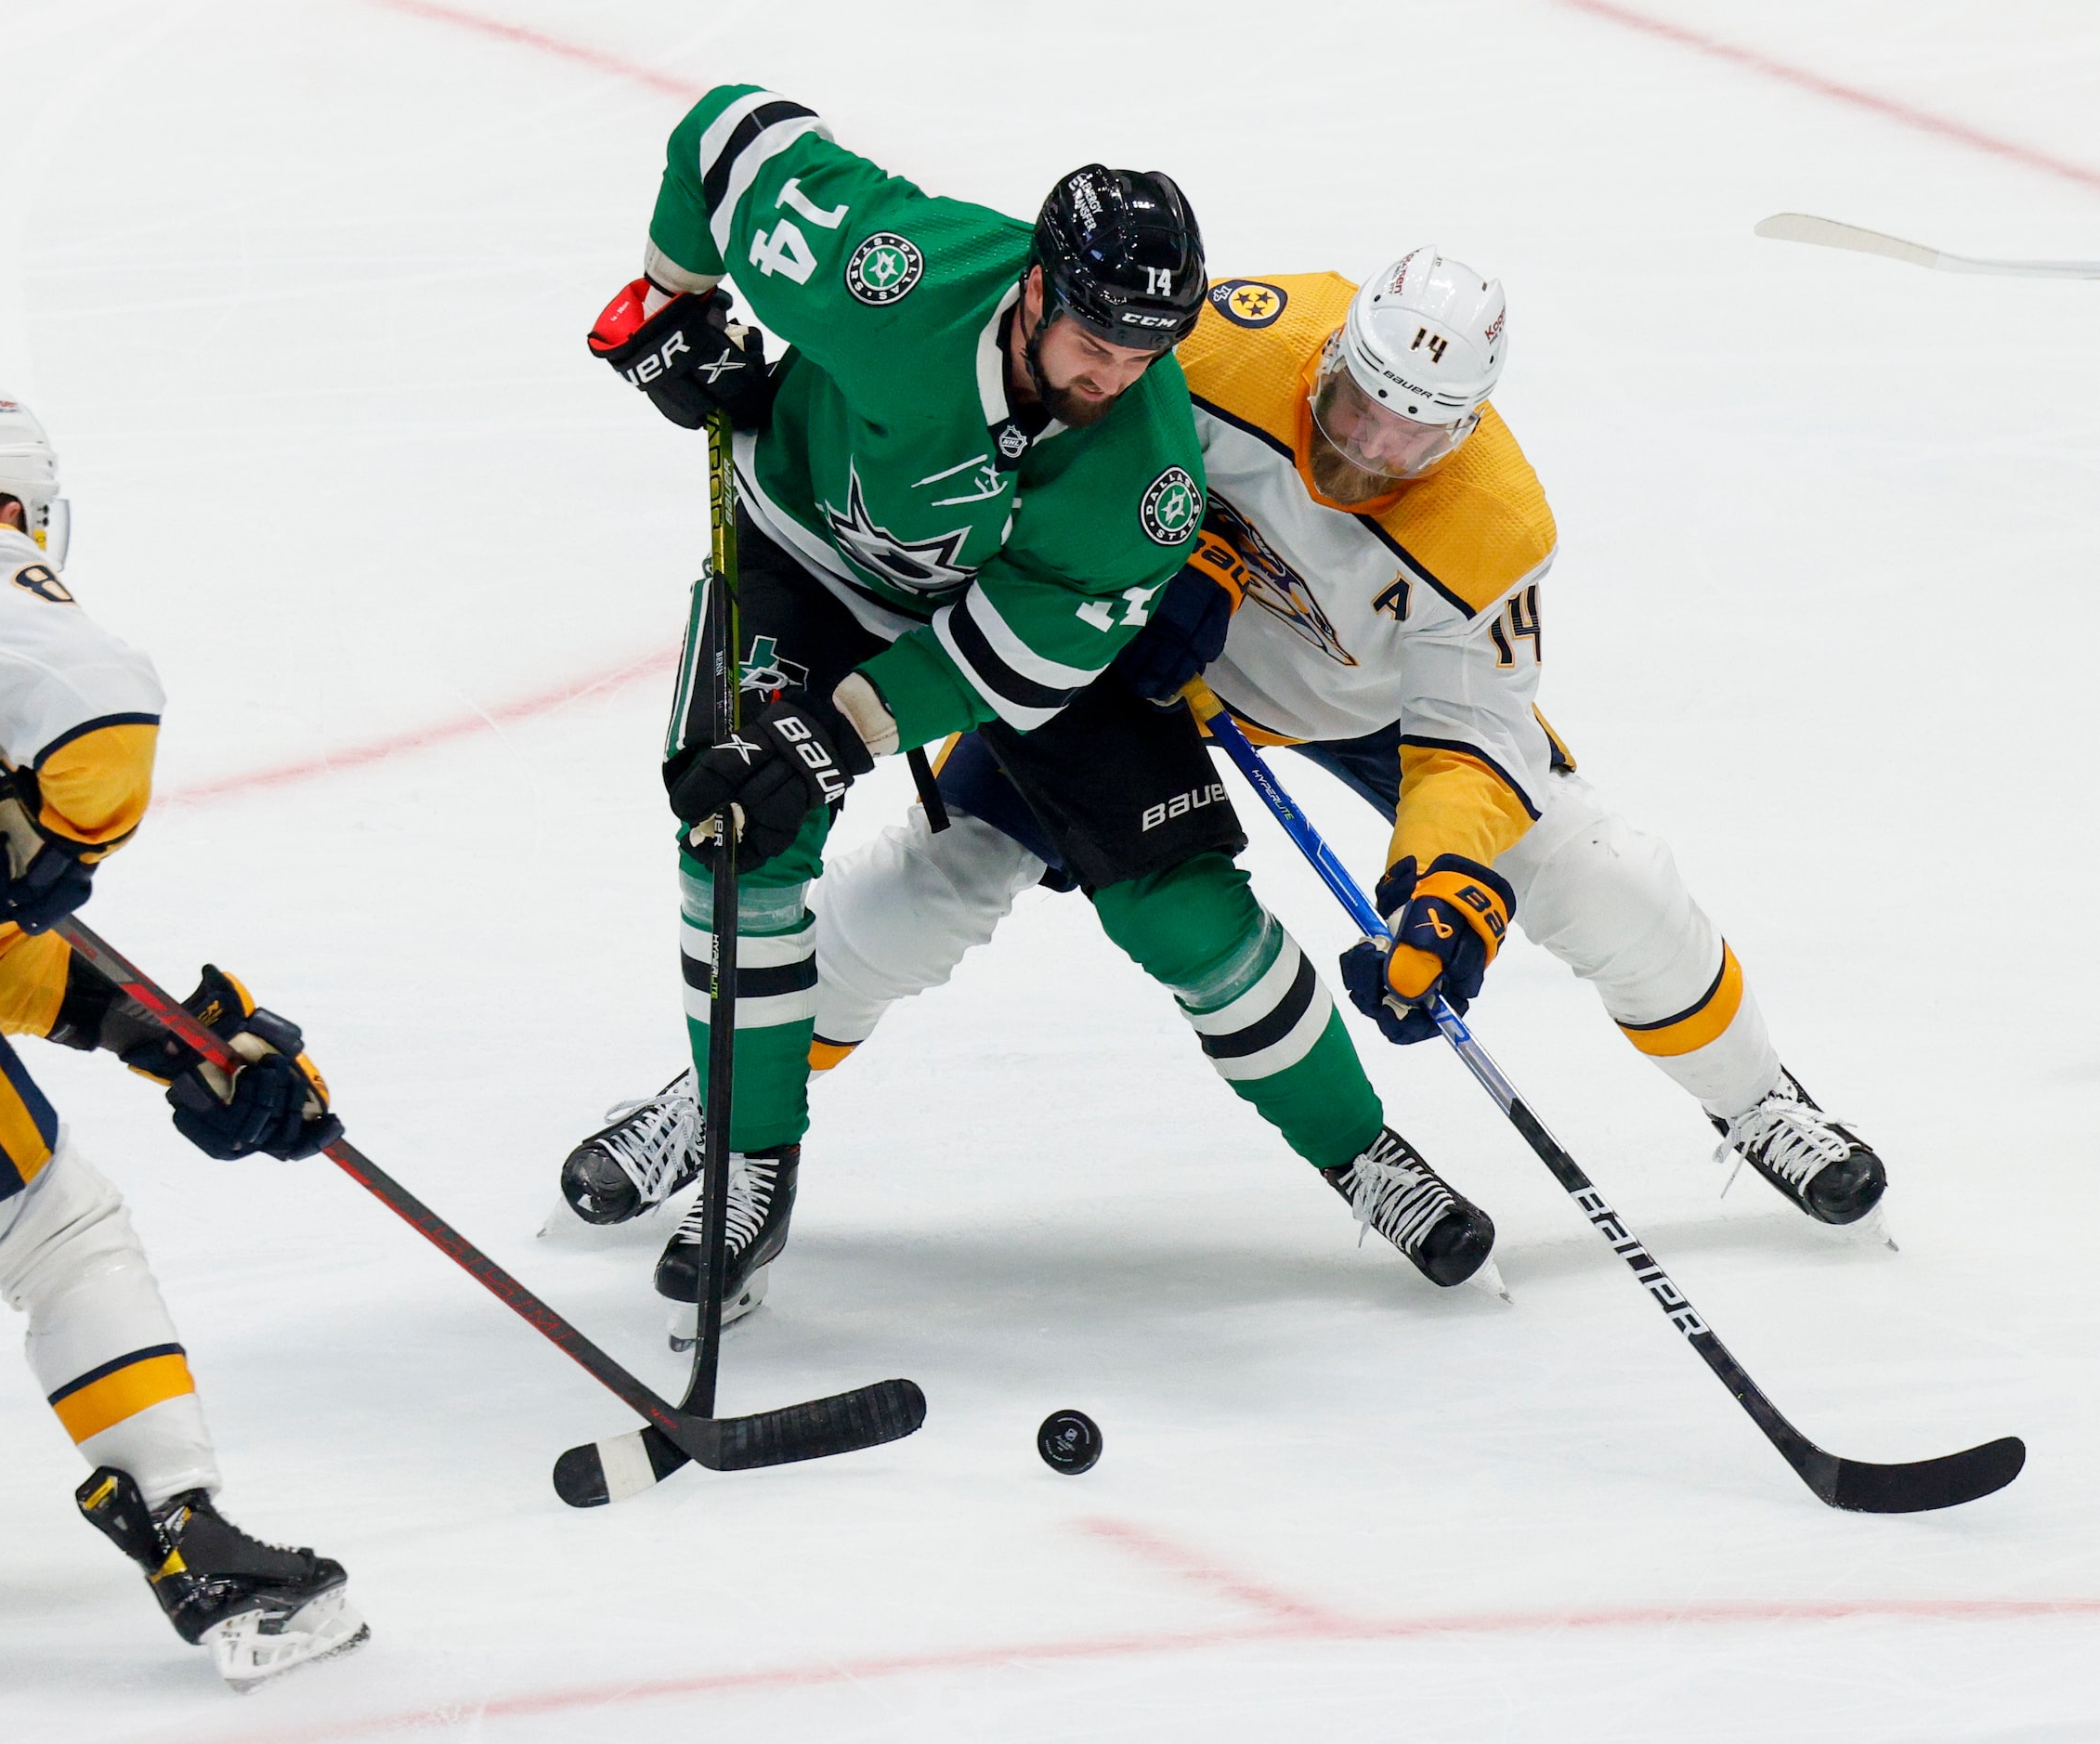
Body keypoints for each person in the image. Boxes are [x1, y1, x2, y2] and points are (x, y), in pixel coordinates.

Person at [569, 248, 1886, 1257]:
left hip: (1358, 705)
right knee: (932, 884)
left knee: (1602, 877)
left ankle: (1756, 1099)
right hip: (1120, 671)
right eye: (1359, 402)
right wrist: (1134, 576)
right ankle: (724, 1102)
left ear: (1467, 426)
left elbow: (1471, 740)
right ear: (1339, 351)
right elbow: (1033, 415)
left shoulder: (1490, 527)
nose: (1365, 446)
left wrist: (1447, 886)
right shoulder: (1223, 344)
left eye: (1410, 435)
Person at [579, 88, 1498, 1344]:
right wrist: (668, 300)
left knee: (1179, 900)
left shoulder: (1149, 478)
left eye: (1140, 357)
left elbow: (1008, 663)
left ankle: (1360, 1153)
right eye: (1092, 344)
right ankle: (747, 1162)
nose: (1110, 379)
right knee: (736, 833)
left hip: (990, 628)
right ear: (1031, 287)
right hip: (803, 553)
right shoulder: (892, 270)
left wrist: (837, 729)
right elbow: (727, 137)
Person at [0, 384, 366, 1691]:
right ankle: (196, 1545)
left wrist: (159, 1033)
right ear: (6, 504)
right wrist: (54, 831)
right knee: (51, 1227)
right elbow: (104, 699)